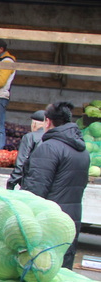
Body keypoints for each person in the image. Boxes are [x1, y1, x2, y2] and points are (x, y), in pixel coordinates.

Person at [21, 101, 89, 269]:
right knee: (62, 272)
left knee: (41, 271)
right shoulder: (82, 150)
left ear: (48, 122)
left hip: (48, 222)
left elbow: (35, 191)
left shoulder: (48, 148)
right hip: (71, 220)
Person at [6, 109, 47, 190]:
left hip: (31, 183)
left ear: (34, 124)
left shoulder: (30, 137)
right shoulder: (55, 138)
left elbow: (21, 162)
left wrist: (11, 183)